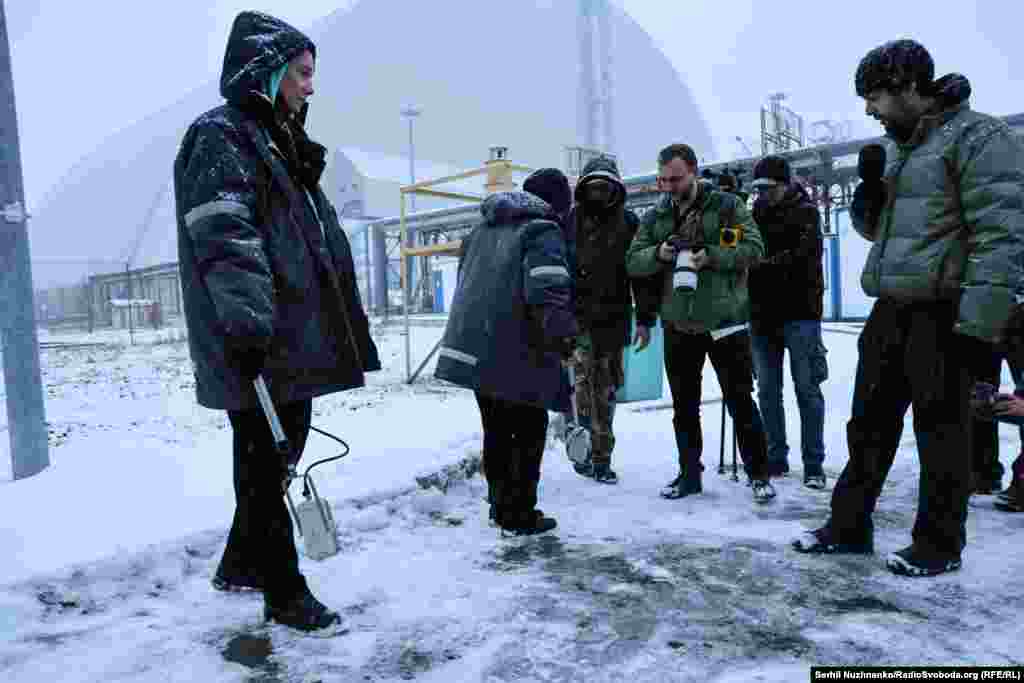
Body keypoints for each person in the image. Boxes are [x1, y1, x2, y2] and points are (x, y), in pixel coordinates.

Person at [175, 11, 380, 631]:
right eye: (303, 73)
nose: (310, 87)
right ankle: (284, 591)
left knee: (274, 454)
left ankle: (242, 562)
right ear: (267, 72)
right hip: (261, 334)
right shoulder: (222, 135)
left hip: (288, 330)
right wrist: (248, 326)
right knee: (268, 461)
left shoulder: (274, 140)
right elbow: (225, 233)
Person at [792, 39, 1024, 577]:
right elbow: (880, 232)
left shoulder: (979, 138)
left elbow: (1004, 235)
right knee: (867, 424)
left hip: (946, 311)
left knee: (941, 432)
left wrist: (979, 324)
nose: (868, 110)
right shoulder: (897, 147)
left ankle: (939, 544)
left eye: (874, 96)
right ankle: (848, 527)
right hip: (892, 306)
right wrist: (868, 195)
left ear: (908, 87)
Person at [626, 143, 777, 504]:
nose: (668, 186)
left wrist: (710, 256)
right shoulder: (656, 216)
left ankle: (759, 474)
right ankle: (689, 475)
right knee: (684, 406)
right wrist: (659, 254)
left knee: (740, 400)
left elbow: (755, 248)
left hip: (725, 321)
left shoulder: (727, 207)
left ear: (693, 171)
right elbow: (633, 261)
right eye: (663, 179)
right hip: (679, 324)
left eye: (675, 178)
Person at [435, 168, 576, 535]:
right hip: (517, 350)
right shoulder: (543, 230)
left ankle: (500, 506)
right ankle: (521, 513)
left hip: (475, 347)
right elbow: (547, 291)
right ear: (559, 204)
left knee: (495, 429)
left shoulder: (483, 227)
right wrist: (564, 339)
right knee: (529, 429)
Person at [565, 155, 659, 484]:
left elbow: (642, 277)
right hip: (577, 325)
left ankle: (602, 458)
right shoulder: (569, 222)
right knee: (580, 389)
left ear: (616, 187)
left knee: (605, 393)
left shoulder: (629, 223)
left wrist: (646, 319)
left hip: (613, 323)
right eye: (593, 186)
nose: (599, 192)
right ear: (584, 188)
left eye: (605, 186)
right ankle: (582, 449)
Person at [747, 155, 828, 489]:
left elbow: (803, 258)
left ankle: (813, 464)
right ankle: (776, 457)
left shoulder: (807, 213)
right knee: (767, 390)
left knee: (807, 389)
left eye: (768, 188)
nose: (763, 194)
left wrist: (761, 265)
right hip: (762, 314)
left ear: (785, 183)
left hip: (800, 313)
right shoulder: (755, 214)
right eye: (759, 188)